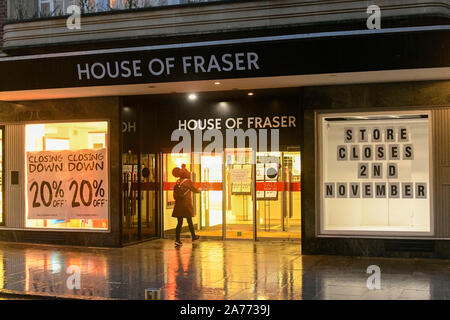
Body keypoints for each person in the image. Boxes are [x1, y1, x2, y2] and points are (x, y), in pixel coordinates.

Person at [172, 164, 201, 247]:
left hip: (178, 205)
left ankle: (177, 240)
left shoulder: (178, 182)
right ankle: (194, 236)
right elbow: (194, 189)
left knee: (179, 223)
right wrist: (199, 190)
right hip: (186, 204)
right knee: (189, 221)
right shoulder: (188, 181)